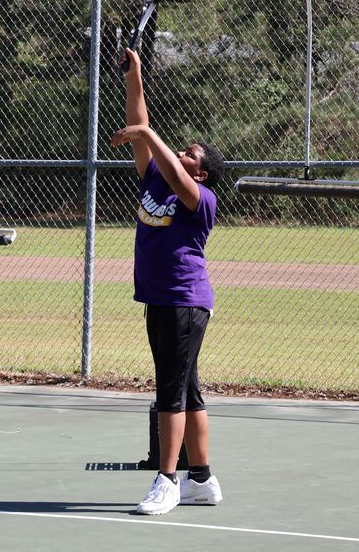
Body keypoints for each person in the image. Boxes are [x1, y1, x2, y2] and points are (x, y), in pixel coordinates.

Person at [110, 48, 226, 516]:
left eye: (189, 155)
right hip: (161, 300)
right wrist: (133, 77)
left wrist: (148, 134)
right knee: (189, 389)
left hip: (183, 301)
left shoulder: (201, 199)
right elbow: (139, 122)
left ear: (200, 172)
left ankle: (167, 480)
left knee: (170, 392)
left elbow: (163, 156)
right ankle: (202, 480)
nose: (181, 154)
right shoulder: (155, 181)